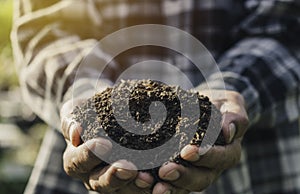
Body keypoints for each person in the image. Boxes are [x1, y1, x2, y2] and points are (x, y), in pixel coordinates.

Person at [11, 0, 300, 194]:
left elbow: (286, 25)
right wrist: (85, 90)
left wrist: (235, 86)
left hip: (259, 160)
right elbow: (42, 29)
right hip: (91, 162)